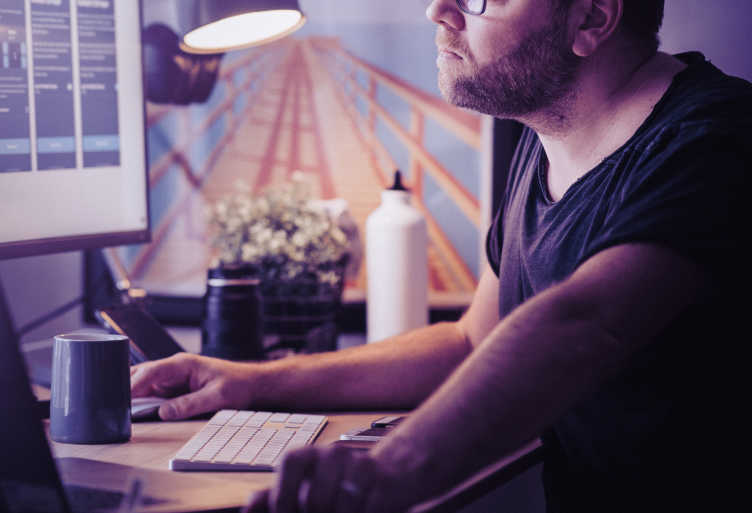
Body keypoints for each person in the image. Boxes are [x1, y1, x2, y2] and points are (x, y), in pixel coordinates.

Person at [131, 0, 749, 511]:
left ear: (591, 18)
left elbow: (587, 322)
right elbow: (472, 341)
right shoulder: (547, 146)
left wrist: (390, 470)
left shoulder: (717, 138)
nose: (439, 10)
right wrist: (252, 383)